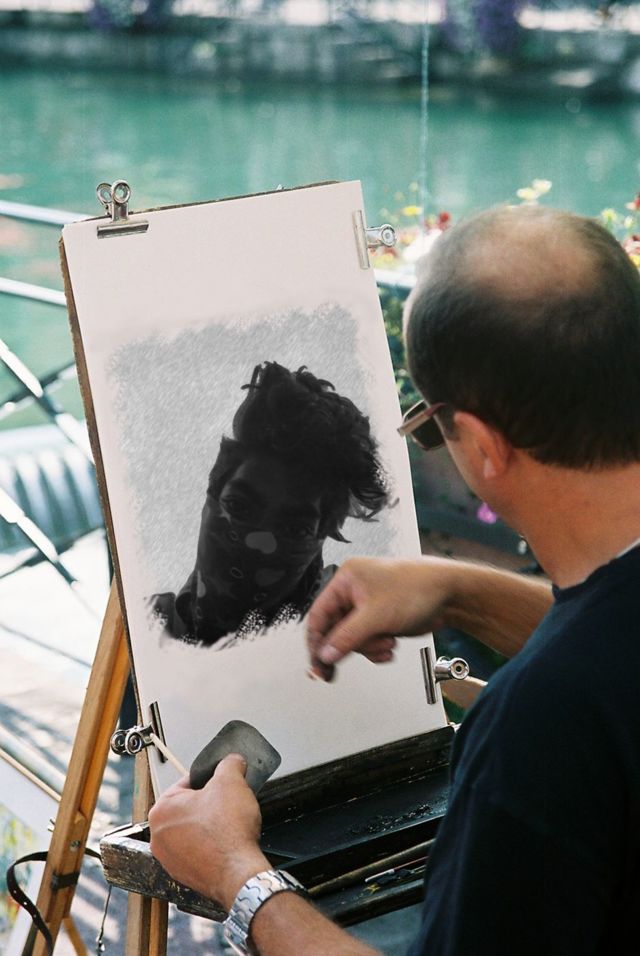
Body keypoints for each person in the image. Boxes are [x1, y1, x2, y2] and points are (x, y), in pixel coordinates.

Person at [148, 204, 640, 955]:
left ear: (481, 445)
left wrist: (238, 876)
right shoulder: (583, 684)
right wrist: (459, 590)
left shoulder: (533, 732)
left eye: (430, 427)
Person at [150, 360, 389, 647]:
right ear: (212, 495)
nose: (258, 541)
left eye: (294, 529)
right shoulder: (141, 634)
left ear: (320, 537)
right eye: (239, 506)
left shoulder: (357, 630)